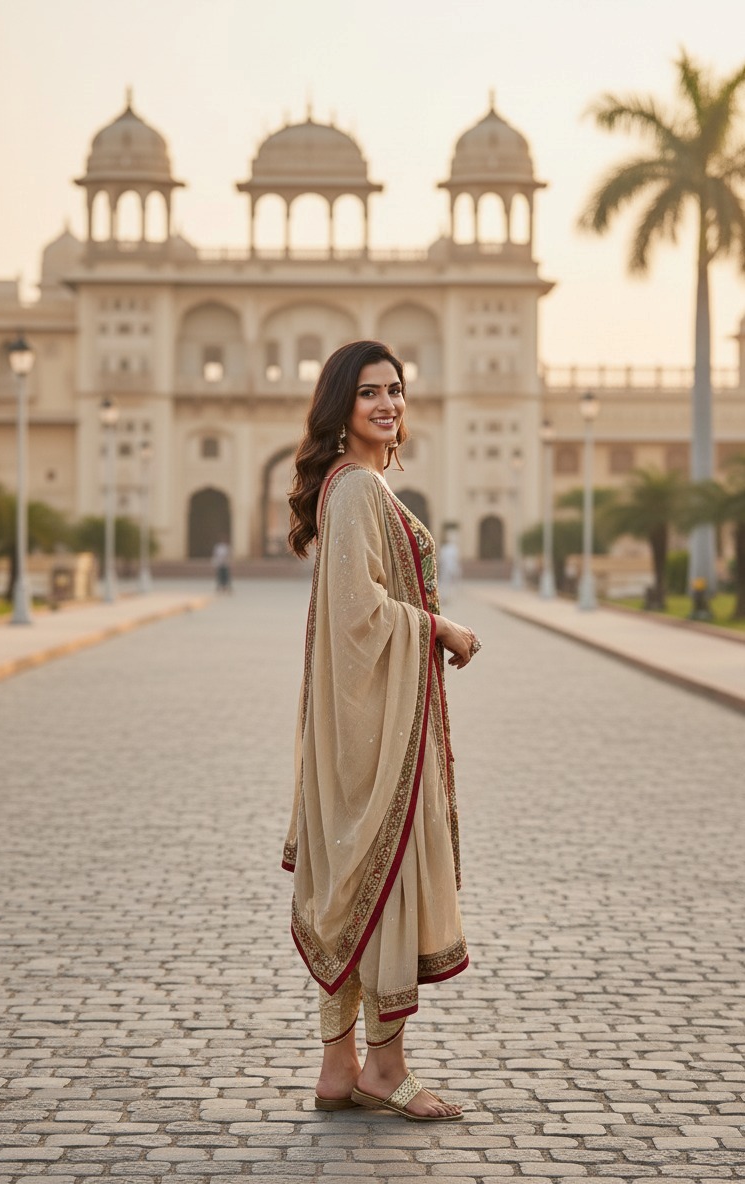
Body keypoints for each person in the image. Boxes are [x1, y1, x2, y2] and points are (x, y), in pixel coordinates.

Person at [283, 340, 481, 1122]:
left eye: (395, 389)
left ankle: (339, 1069)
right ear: (341, 406)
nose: (387, 404)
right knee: (387, 877)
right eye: (368, 393)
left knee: (347, 879)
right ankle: (384, 1068)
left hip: (358, 723)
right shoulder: (359, 486)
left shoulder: (346, 486)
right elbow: (361, 616)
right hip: (379, 733)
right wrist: (437, 626)